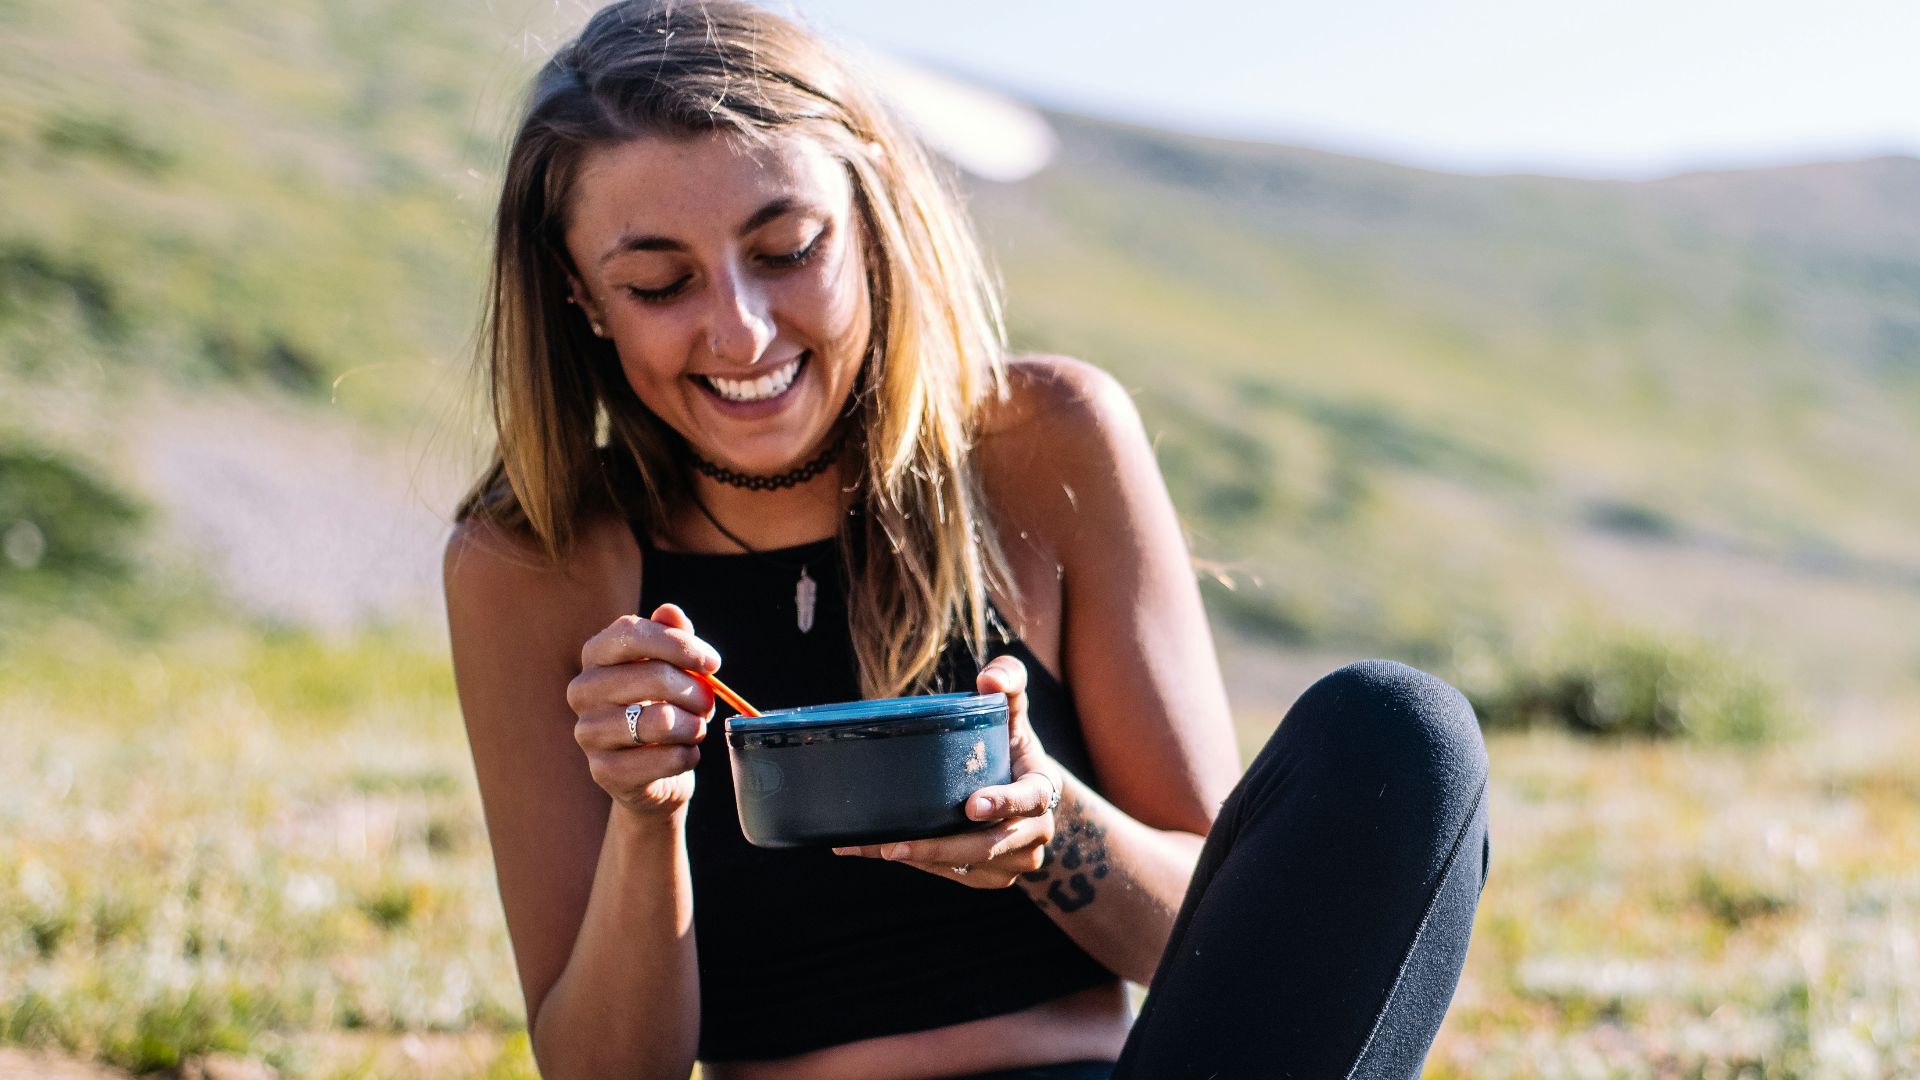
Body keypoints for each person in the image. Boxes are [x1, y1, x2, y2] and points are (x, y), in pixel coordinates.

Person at [441, 3, 1490, 1077]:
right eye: (660, 283)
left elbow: (1226, 952)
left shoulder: (1045, 443)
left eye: (788, 249)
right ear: (582, 299)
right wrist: (644, 816)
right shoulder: (538, 565)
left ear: (871, 219)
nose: (743, 330)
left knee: (1401, 740)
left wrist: (1047, 825)